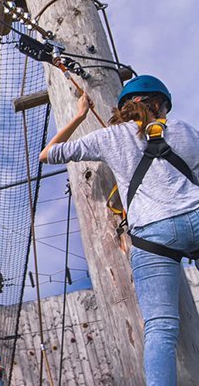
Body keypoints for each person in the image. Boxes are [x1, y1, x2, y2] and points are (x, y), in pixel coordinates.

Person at [40, 75, 199, 386]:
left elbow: (49, 154)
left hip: (154, 234)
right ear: (157, 104)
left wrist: (80, 116)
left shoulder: (110, 138)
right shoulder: (184, 130)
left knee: (161, 326)